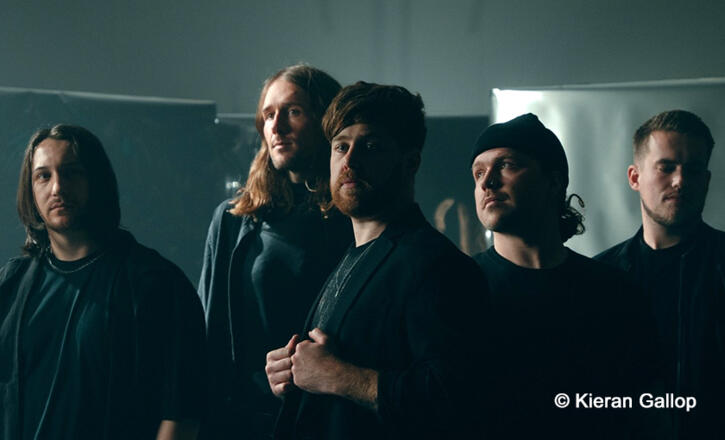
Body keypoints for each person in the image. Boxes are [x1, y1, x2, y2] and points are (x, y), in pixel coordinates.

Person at [266, 82, 489, 439]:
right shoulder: (351, 258)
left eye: (370, 147)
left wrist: (338, 376)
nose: (350, 161)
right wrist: (292, 374)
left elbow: (454, 397)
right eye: (341, 146)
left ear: (410, 162)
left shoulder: (436, 264)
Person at [0, 124, 205, 439]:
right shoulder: (12, 284)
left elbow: (181, 413)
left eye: (71, 173)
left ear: (96, 180)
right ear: (30, 189)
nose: (57, 188)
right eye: (43, 176)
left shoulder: (156, 283)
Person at [470, 113, 660, 439]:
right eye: (478, 173)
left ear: (554, 182)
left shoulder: (612, 291)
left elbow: (643, 409)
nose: (487, 182)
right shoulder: (459, 288)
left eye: (507, 165)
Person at [197, 64, 351, 439]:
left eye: (293, 111)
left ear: (326, 120)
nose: (277, 127)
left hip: (331, 418)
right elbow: (209, 336)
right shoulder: (234, 220)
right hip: (246, 420)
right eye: (268, 115)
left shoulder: (354, 219)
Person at [596, 110, 724, 439]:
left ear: (706, 180)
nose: (680, 181)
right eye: (666, 167)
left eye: (693, 170)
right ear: (635, 177)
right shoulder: (598, 279)